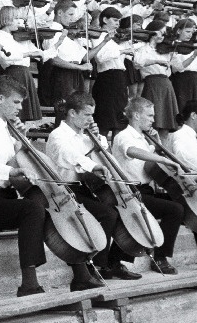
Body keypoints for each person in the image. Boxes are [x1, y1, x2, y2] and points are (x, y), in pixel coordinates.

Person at [0, 76, 103, 296]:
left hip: (5, 197)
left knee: (43, 203)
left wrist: (20, 140)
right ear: (0, 99)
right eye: (16, 102)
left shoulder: (6, 129)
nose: (20, 108)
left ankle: (81, 276)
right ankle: (29, 283)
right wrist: (10, 171)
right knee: (33, 209)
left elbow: (15, 158)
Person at [46, 93, 141, 280]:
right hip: (65, 190)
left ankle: (114, 262)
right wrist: (93, 166)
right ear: (72, 113)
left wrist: (99, 140)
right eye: (87, 115)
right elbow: (69, 155)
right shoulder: (58, 135)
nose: (91, 119)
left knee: (126, 208)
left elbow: (105, 158)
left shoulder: (86, 136)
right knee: (107, 214)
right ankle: (97, 265)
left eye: (92, 115)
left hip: (88, 186)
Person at [111, 97, 185, 274]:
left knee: (180, 204)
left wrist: (155, 144)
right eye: (150, 115)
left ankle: (113, 261)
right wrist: (160, 157)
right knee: (173, 209)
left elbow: (152, 162)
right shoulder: (123, 136)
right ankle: (160, 258)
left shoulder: (144, 138)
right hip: (130, 192)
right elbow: (132, 151)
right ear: (136, 115)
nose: (153, 120)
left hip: (146, 190)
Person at [167, 100, 197, 269]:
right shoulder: (181, 135)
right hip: (186, 183)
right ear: (193, 116)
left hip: (194, 180)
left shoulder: (190, 135)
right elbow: (182, 157)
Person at [0, 6, 50, 122]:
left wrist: (58, 42)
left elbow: (41, 55)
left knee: (21, 115)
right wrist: (28, 54)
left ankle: (20, 139)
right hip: (12, 74)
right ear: (7, 20)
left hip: (25, 74)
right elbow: (5, 58)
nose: (20, 22)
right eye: (16, 18)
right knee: (12, 114)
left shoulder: (22, 38)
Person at [91, 7, 133, 135]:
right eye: (115, 20)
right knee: (105, 119)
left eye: (119, 21)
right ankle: (102, 149)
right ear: (104, 19)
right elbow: (101, 57)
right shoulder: (98, 36)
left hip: (119, 78)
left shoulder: (114, 39)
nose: (117, 23)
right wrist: (122, 51)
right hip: (107, 78)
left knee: (119, 119)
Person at [135, 20, 180, 139]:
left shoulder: (166, 50)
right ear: (153, 32)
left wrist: (193, 53)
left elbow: (179, 68)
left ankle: (164, 151)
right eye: (161, 32)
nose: (163, 36)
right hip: (152, 84)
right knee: (152, 122)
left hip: (166, 84)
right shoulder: (142, 49)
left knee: (166, 124)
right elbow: (137, 63)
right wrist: (156, 61)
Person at [170, 18, 197, 111]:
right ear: (178, 30)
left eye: (191, 32)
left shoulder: (195, 46)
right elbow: (178, 67)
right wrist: (194, 54)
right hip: (180, 80)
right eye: (187, 31)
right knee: (182, 109)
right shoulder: (173, 46)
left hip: (196, 80)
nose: (190, 35)